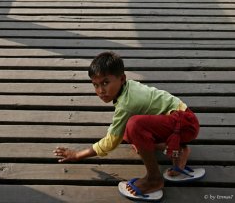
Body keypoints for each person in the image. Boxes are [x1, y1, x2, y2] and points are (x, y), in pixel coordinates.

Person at [53, 51, 205, 201]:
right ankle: (176, 150)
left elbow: (111, 141)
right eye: (95, 85)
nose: (100, 91)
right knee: (129, 132)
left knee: (133, 126)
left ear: (122, 78)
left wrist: (78, 155)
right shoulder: (128, 87)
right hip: (181, 121)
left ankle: (154, 179)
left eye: (105, 83)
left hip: (184, 125)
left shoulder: (127, 104)